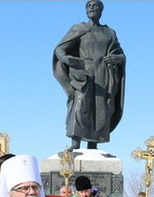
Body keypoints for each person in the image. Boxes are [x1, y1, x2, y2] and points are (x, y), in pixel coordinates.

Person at [53, 0, 125, 150]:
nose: (92, 8)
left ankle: (93, 145)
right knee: (80, 104)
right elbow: (60, 49)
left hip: (103, 75)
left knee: (101, 109)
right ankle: (75, 143)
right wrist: (66, 59)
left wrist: (118, 59)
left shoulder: (109, 33)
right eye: (89, 6)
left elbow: (120, 54)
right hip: (83, 74)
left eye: (95, 6)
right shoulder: (79, 28)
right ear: (86, 10)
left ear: (101, 11)